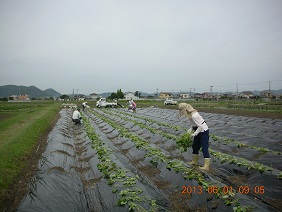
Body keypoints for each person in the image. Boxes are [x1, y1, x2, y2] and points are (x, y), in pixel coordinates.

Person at [178, 103, 211, 171]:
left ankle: (206, 166)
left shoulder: (194, 115)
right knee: (195, 146)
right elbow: (194, 124)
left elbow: (200, 126)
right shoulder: (190, 114)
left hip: (203, 131)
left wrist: (194, 134)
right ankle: (194, 161)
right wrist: (190, 130)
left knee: (204, 147)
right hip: (197, 129)